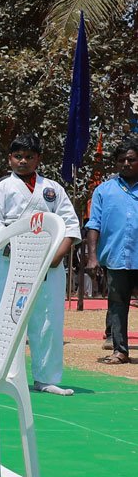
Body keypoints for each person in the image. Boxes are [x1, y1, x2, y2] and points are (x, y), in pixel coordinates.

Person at [0, 133, 82, 395]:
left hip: (48, 263)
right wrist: (16, 253)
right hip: (10, 262)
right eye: (18, 156)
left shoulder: (53, 189)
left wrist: (57, 256)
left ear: (38, 159)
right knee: (5, 318)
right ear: (10, 159)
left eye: (29, 156)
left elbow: (70, 225)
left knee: (48, 319)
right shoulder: (2, 189)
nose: (23, 161)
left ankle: (46, 378)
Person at [85, 136, 138, 365]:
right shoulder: (103, 191)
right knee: (117, 305)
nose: (126, 163)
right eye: (121, 160)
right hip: (116, 259)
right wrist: (92, 257)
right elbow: (94, 224)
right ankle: (120, 351)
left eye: (131, 159)